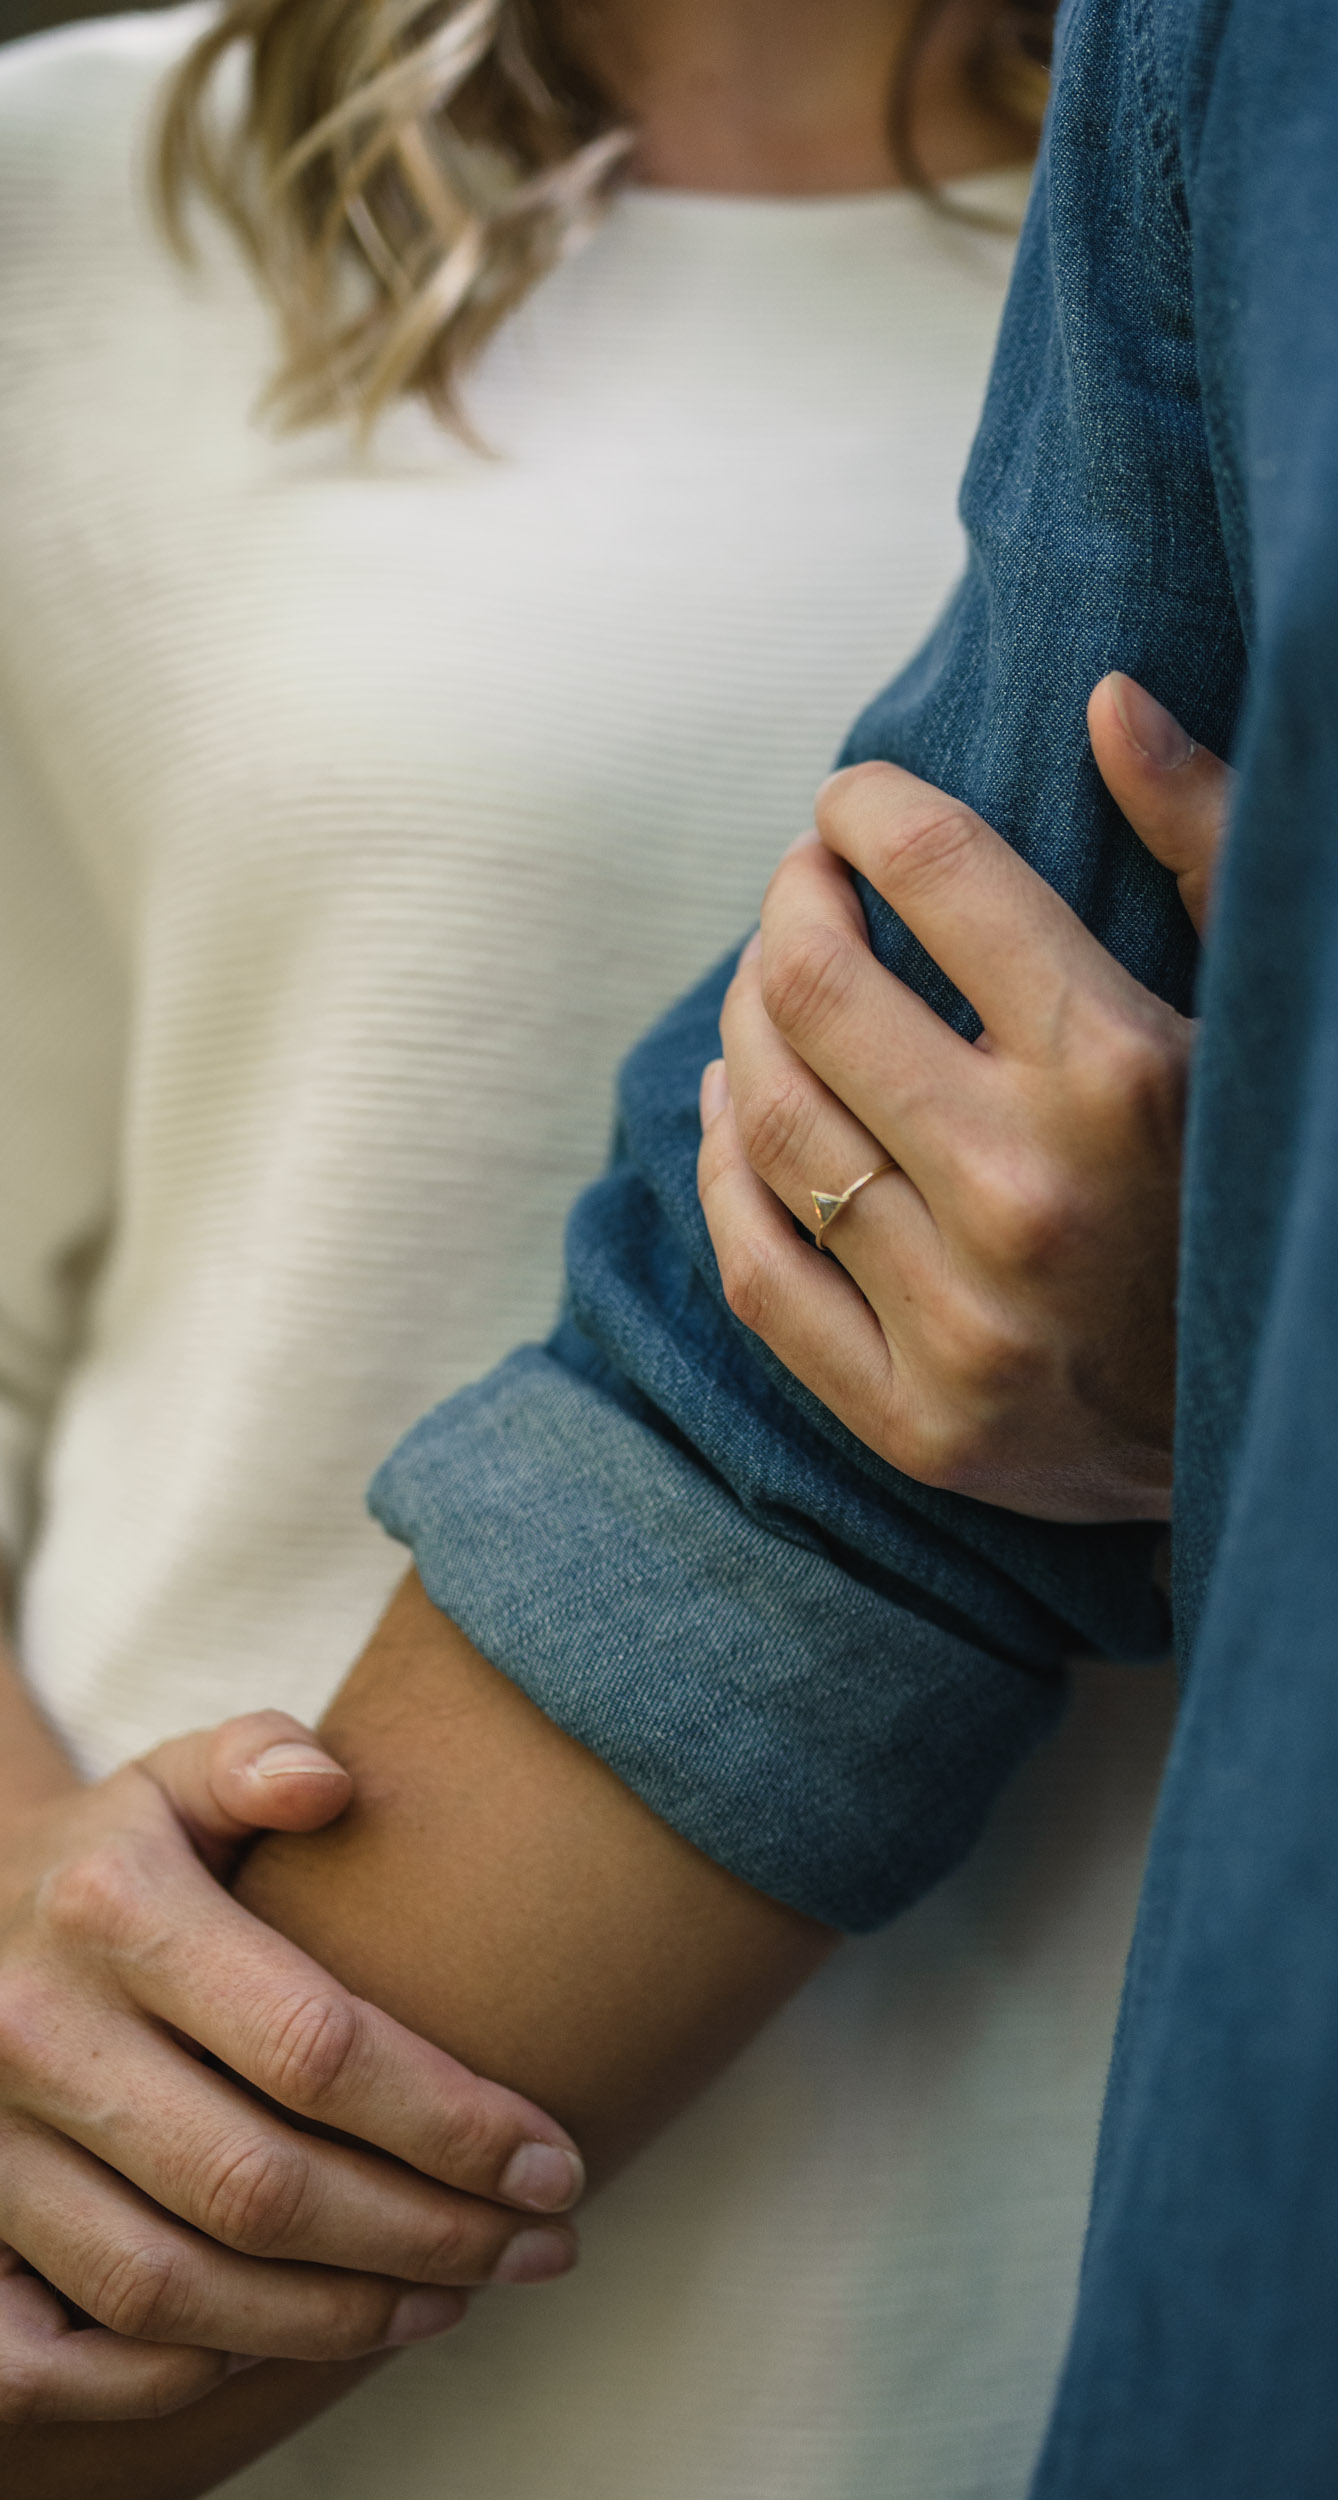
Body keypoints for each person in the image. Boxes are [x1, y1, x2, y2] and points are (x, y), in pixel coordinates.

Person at [0, 0, 1178, 2492]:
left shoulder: (1324, 252)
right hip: (154, 2287)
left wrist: (1252, 1347)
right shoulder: (72, 198)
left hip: (1057, 2301)